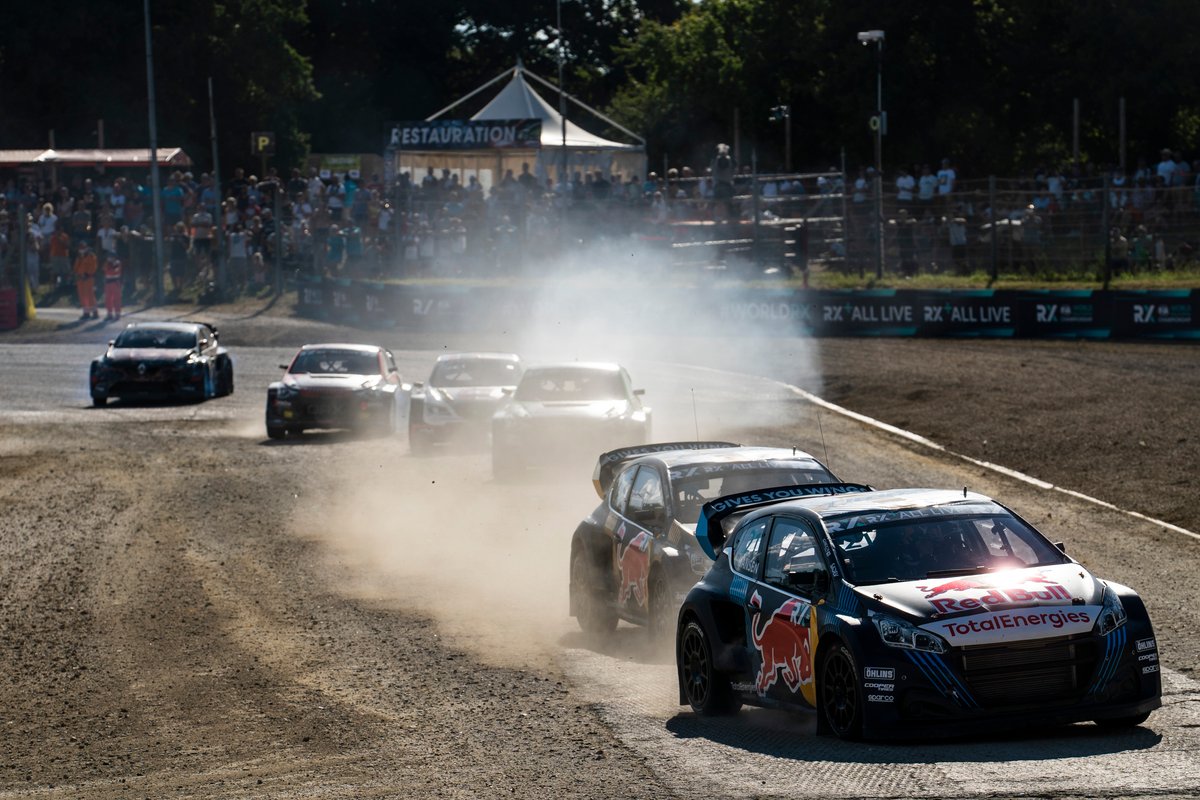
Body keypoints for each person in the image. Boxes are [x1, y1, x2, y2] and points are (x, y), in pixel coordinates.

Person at [73, 242, 99, 319]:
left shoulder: (91, 256)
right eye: (80, 249)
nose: (81, 250)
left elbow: (94, 267)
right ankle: (86, 312)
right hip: (80, 278)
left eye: (83, 248)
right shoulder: (79, 257)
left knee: (90, 295)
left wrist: (88, 274)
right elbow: (76, 267)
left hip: (88, 278)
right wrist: (76, 274)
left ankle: (95, 312)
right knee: (82, 296)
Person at [711, 143, 736, 220]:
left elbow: (712, 169)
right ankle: (727, 218)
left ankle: (720, 218)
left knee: (721, 203)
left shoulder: (715, 160)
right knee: (727, 203)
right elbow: (733, 169)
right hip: (725, 185)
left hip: (720, 185)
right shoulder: (729, 160)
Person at [102, 254, 123, 320]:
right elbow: (104, 270)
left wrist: (110, 269)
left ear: (114, 257)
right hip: (108, 283)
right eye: (109, 257)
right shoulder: (107, 263)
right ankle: (109, 314)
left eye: (111, 257)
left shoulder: (117, 263)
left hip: (115, 282)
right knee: (108, 299)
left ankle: (117, 313)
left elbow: (115, 272)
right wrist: (109, 266)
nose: (109, 258)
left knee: (116, 298)